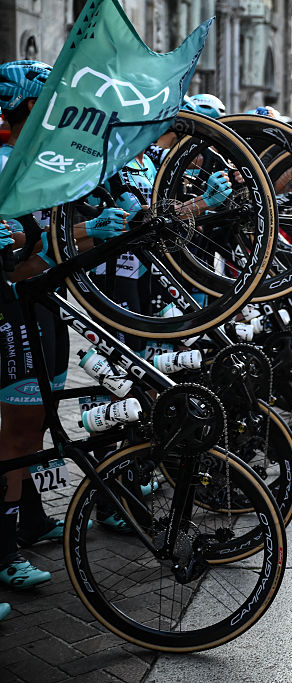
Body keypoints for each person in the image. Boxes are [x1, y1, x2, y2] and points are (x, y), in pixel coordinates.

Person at [0, 60, 129, 593]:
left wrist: (94, 230)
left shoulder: (41, 163)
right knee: (20, 431)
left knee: (33, 427)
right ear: (25, 108)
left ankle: (24, 523)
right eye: (45, 104)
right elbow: (18, 251)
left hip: (43, 304)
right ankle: (4, 550)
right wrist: (81, 232)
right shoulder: (7, 162)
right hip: (10, 307)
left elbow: (53, 242)